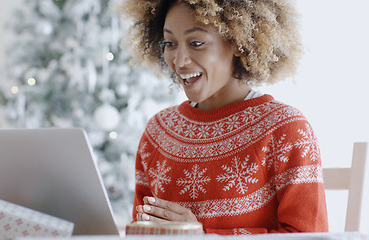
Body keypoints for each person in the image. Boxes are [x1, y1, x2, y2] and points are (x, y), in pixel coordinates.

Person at [120, 0, 328, 235]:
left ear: (238, 42)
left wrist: (203, 236)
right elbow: (142, 232)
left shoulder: (286, 129)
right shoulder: (158, 132)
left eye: (196, 43)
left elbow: (310, 236)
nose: (179, 61)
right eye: (170, 43)